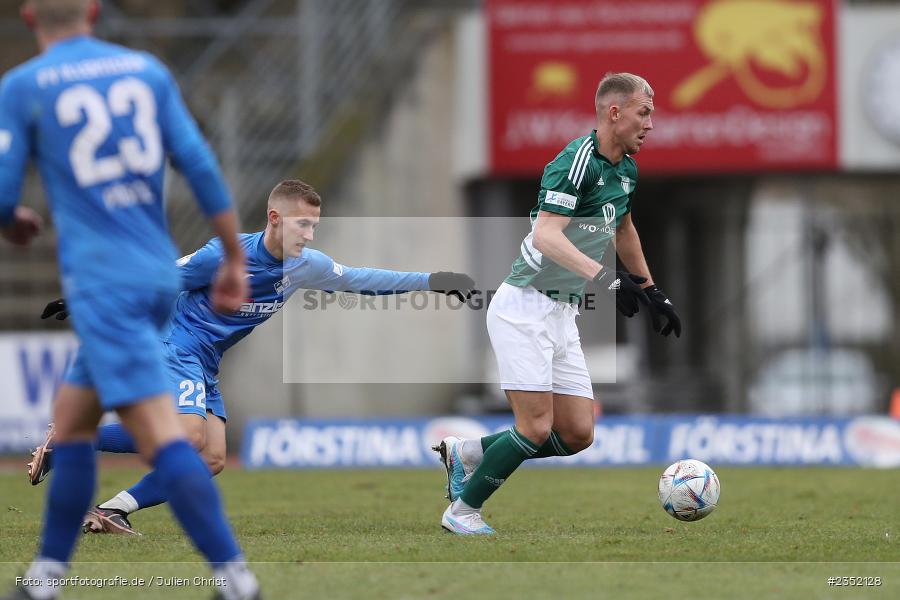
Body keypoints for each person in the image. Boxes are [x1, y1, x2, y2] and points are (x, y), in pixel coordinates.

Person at [29, 178, 477, 536]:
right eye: (302, 224)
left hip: (206, 359)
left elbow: (361, 278)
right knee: (187, 437)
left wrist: (432, 278)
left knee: (212, 460)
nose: (309, 234)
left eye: (314, 226)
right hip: (177, 342)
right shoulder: (223, 255)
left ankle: (112, 509)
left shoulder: (308, 265)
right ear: (274, 218)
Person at [0, 1, 260, 598]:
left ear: (29, 14)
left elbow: (4, 194)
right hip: (155, 277)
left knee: (170, 440)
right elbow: (197, 163)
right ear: (93, 11)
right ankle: (45, 578)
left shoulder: (24, 84)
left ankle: (236, 578)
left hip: (102, 282)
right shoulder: (145, 72)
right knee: (71, 427)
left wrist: (15, 222)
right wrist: (233, 256)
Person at [435, 72, 681, 535]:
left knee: (576, 434)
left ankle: (468, 451)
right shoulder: (575, 161)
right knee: (533, 426)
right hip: (523, 308)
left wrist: (650, 290)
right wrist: (609, 279)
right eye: (644, 112)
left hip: (562, 312)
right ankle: (462, 512)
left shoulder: (625, 168)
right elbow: (546, 235)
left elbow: (623, 228)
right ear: (615, 112)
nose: (650, 124)